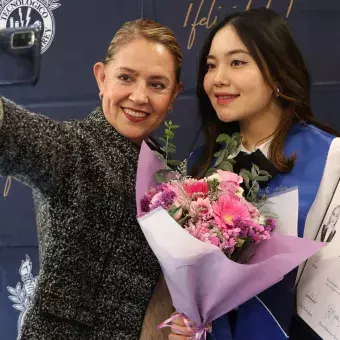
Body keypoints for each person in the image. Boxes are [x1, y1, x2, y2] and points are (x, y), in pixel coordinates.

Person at [0, 18, 182, 340]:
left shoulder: (173, 178)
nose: (139, 97)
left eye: (157, 84)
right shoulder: (73, 147)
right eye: (126, 77)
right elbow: (13, 132)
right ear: (101, 78)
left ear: (174, 95)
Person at [168, 7, 340, 340]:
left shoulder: (330, 157)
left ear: (277, 73)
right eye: (211, 65)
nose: (218, 78)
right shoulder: (200, 168)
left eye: (237, 62)